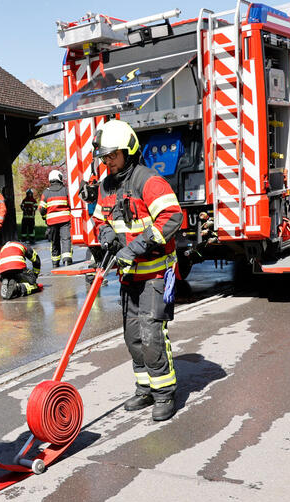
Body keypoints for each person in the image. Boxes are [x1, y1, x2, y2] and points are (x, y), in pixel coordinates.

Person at [91, 119, 185, 422]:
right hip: (128, 276)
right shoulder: (106, 185)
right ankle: (145, 388)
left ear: (128, 152)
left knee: (151, 334)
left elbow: (172, 217)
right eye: (104, 157)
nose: (108, 162)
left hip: (156, 274)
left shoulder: (149, 181)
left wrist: (134, 248)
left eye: (113, 156)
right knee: (132, 336)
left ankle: (164, 394)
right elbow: (99, 220)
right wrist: (107, 236)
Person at [39, 169, 73, 267]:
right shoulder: (65, 190)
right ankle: (67, 260)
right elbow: (70, 204)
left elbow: (41, 208)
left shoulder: (46, 192)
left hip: (52, 222)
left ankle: (55, 262)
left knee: (54, 241)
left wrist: (45, 217)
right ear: (59, 178)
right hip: (65, 221)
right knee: (66, 239)